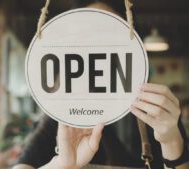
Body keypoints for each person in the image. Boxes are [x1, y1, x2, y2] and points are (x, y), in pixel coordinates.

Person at [13, 1, 189, 169]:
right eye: (87, 33)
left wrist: (171, 140)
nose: (98, 42)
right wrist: (60, 165)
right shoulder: (61, 113)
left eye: (109, 30)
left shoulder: (155, 109)